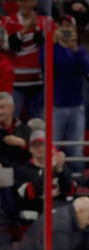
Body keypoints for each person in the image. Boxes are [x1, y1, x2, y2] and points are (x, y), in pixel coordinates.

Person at [11, 130, 75, 236]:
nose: (39, 148)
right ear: (30, 149)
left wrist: (60, 171)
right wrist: (49, 170)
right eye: (35, 145)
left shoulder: (59, 167)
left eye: (42, 144)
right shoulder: (22, 170)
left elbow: (70, 191)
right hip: (33, 220)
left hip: (58, 218)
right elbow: (29, 194)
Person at [0, 0, 51, 120]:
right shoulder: (6, 21)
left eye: (26, 1)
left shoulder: (46, 21)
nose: (21, 4)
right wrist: (25, 30)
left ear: (34, 2)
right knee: (12, 119)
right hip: (16, 82)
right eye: (20, 1)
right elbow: (8, 46)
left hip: (38, 81)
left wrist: (37, 31)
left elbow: (48, 45)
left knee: (38, 121)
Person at [51, 14, 89, 175]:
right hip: (56, 106)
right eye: (63, 27)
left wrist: (73, 49)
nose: (66, 30)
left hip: (76, 105)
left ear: (74, 30)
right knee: (53, 148)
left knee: (75, 150)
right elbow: (51, 66)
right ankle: (52, 182)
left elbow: (85, 68)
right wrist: (57, 44)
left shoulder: (79, 50)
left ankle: (78, 185)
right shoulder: (51, 49)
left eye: (69, 27)